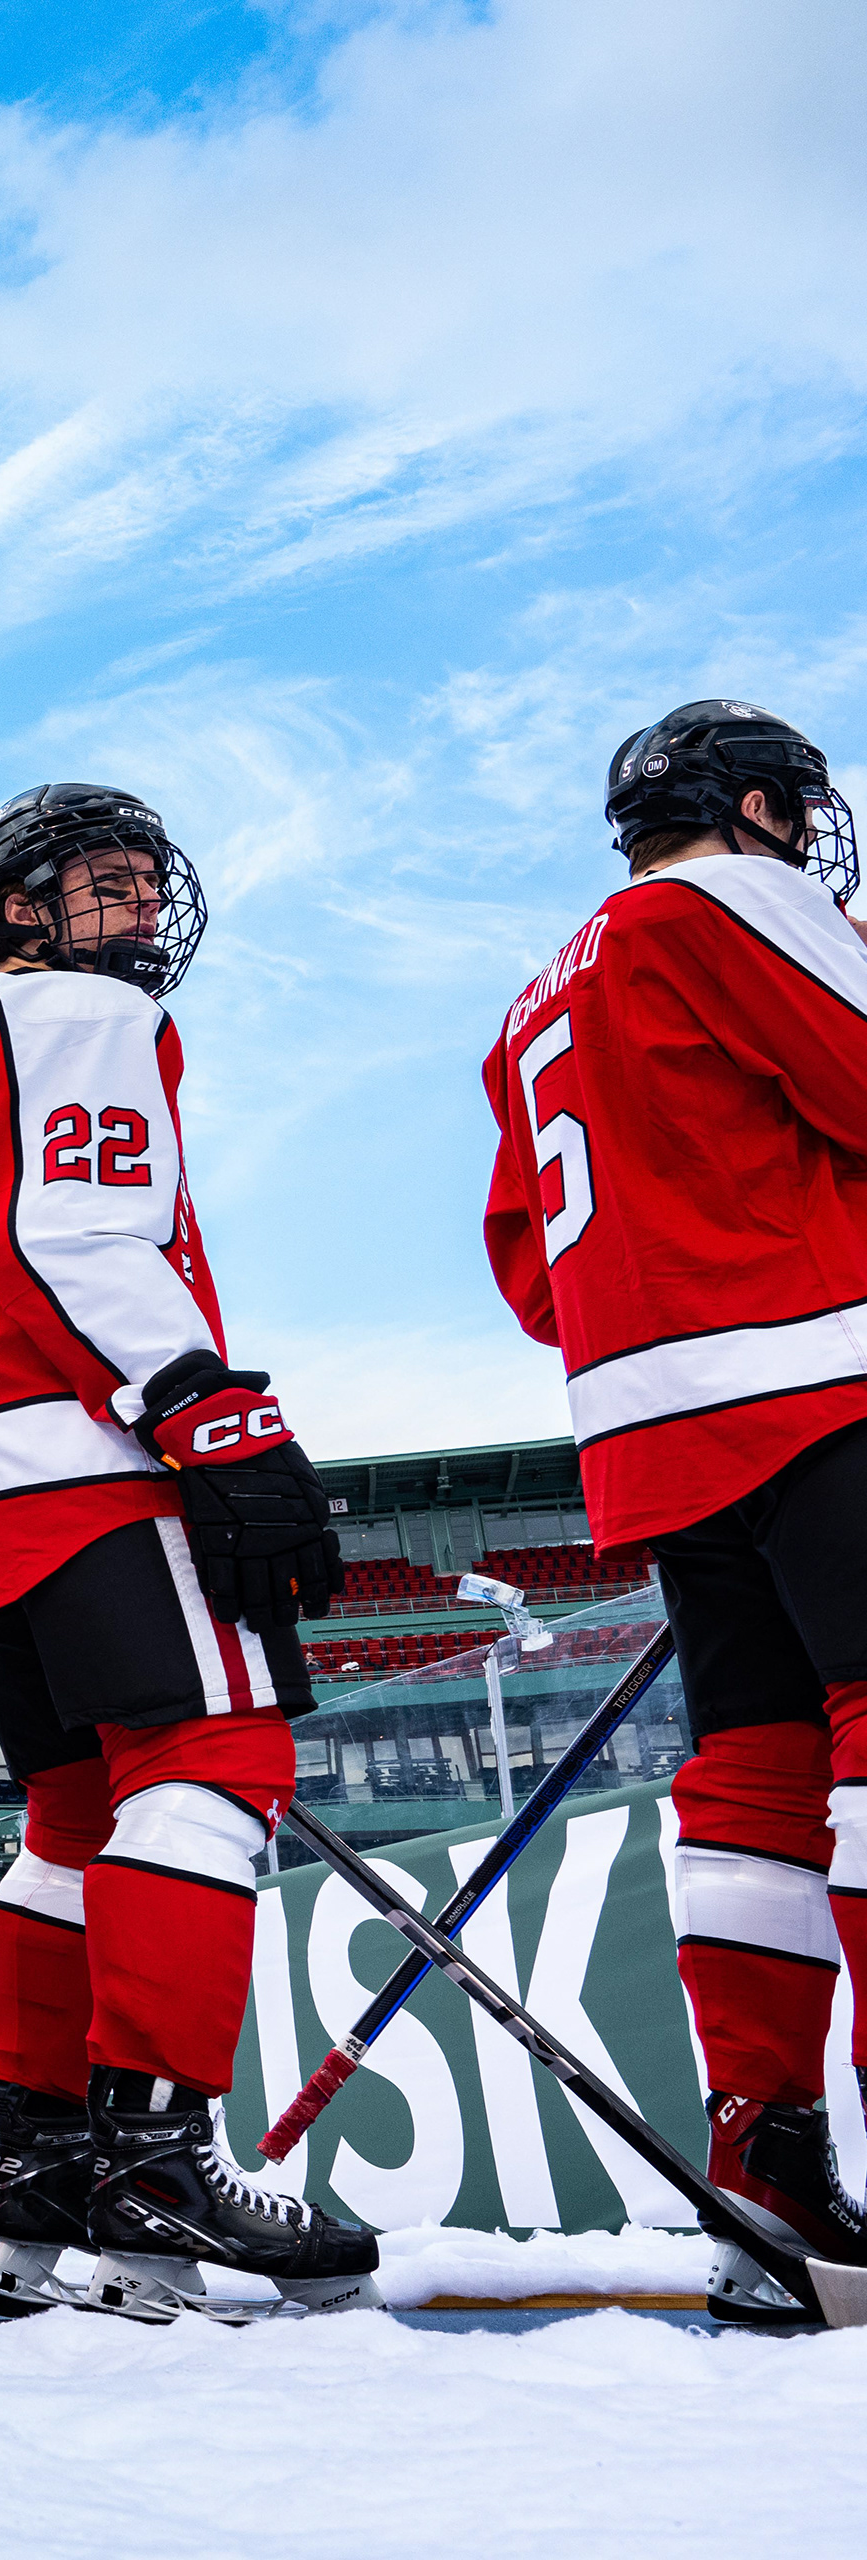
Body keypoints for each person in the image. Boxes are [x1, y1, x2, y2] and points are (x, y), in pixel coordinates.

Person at [0, 784, 373, 2324]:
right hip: (78, 1456)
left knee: (74, 1819)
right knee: (214, 1766)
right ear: (24, 908)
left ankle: (46, 2167)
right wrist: (215, 1417)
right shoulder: (75, 1014)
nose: (142, 911)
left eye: (149, 884)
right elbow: (81, 1234)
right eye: (109, 884)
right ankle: (155, 2162)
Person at [481, 700, 867, 2324]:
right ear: (764, 806)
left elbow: (523, 1266)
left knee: (759, 1766)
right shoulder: (738, 901)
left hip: (653, 1422)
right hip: (827, 1370)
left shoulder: (533, 996)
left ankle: (765, 2167)